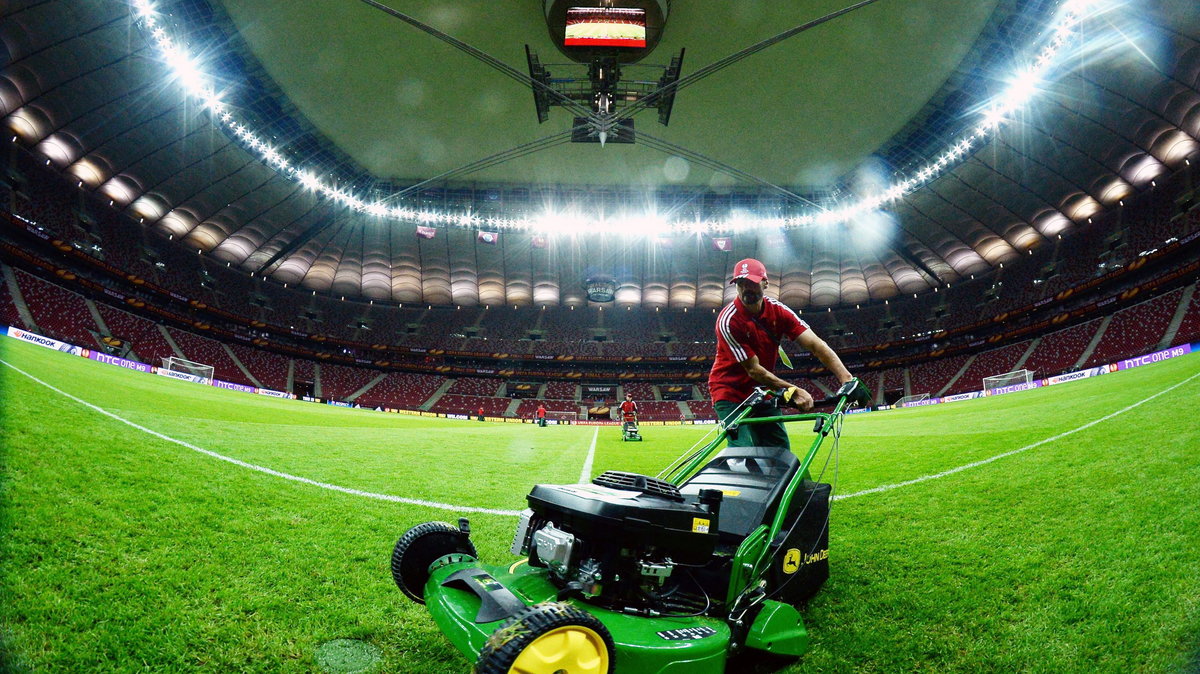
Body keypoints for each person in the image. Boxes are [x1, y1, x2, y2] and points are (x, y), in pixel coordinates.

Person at [710, 258, 858, 450]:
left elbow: (816, 345)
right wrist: (793, 391)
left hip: (763, 391)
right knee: (742, 448)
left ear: (765, 283)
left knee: (779, 450)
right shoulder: (728, 320)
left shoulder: (778, 311)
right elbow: (754, 370)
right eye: (741, 283)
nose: (747, 288)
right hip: (730, 392)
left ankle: (794, 481)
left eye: (752, 283)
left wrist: (847, 379)